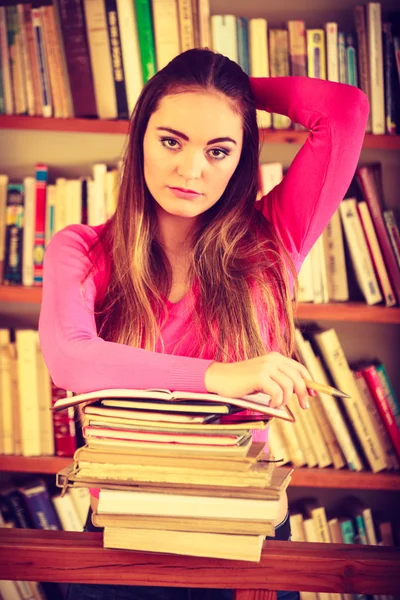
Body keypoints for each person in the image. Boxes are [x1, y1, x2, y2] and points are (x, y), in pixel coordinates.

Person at [39, 48, 369, 600]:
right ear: (141, 136)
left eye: (219, 150)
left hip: (248, 539)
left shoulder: (273, 237)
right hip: (124, 540)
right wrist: (223, 375)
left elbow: (344, 109)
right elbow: (71, 357)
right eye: (171, 140)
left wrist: (235, 90)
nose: (191, 170)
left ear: (241, 160)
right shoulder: (83, 249)